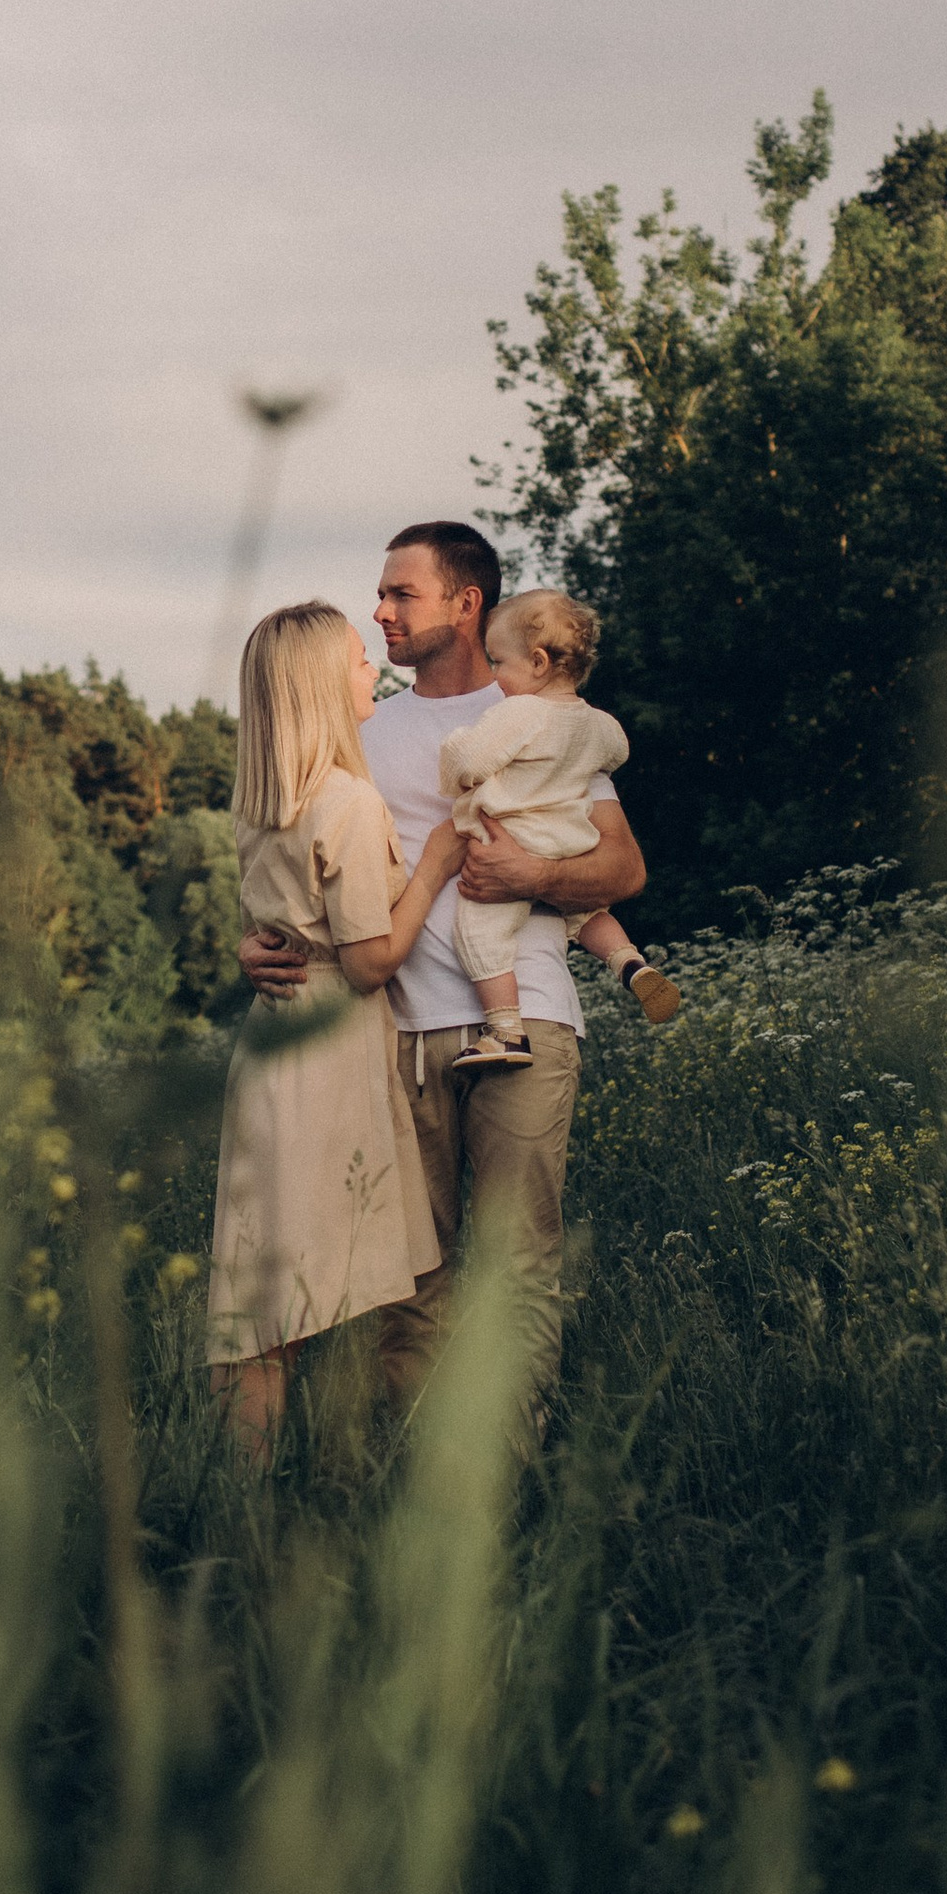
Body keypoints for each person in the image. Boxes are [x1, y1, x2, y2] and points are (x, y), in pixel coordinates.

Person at [240, 520, 651, 1423]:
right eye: (379, 594)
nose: (379, 611)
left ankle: (508, 1475)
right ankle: (418, 1488)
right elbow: (305, 860)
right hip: (390, 1030)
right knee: (408, 1278)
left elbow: (624, 869)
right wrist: (266, 942)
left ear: (467, 604)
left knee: (515, 1263)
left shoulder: (542, 715)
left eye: (400, 594)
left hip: (528, 1018)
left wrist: (534, 875)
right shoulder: (364, 733)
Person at [206, 599, 465, 1457]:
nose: (373, 672)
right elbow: (367, 962)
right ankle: (362, 1474)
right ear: (322, 684)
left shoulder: (261, 804)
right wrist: (431, 868)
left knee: (262, 1291)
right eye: (359, 661)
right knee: (309, 1287)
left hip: (274, 1043)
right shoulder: (347, 803)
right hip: (329, 1045)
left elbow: (279, 925)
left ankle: (244, 1496)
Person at [439, 586, 681, 1064]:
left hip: (513, 840)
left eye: (499, 662)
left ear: (538, 662)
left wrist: (453, 749)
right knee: (585, 913)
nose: (494, 675)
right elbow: (619, 753)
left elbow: (469, 761)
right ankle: (629, 963)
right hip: (569, 841)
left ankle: (506, 1030)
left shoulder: (521, 712)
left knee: (477, 932)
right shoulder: (598, 723)